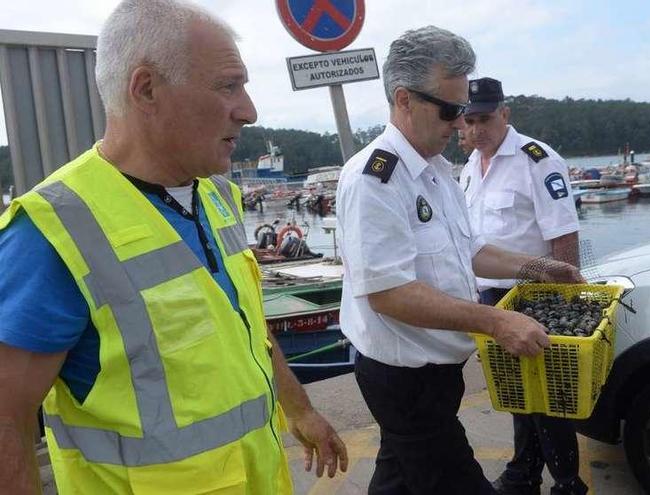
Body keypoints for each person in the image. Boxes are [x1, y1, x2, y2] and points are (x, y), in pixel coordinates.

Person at [0, 1, 347, 493]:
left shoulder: (217, 196)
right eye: (228, 85)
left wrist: (300, 408)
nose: (248, 110)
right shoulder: (52, 232)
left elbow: (243, 329)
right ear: (146, 89)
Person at [336, 26, 583, 495]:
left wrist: (534, 267)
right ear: (404, 100)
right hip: (404, 379)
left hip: (437, 370)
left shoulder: (437, 170)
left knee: (398, 478)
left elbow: (467, 251)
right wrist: (495, 321)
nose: (460, 124)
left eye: (465, 110)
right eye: (450, 110)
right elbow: (388, 292)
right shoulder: (376, 179)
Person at [460, 77, 586, 495]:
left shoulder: (537, 160)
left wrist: (568, 306)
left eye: (485, 118)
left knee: (549, 401)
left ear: (505, 114)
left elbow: (563, 235)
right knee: (518, 395)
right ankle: (523, 475)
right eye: (469, 120)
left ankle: (568, 484)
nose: (477, 129)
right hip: (493, 297)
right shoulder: (469, 170)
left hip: (537, 297)